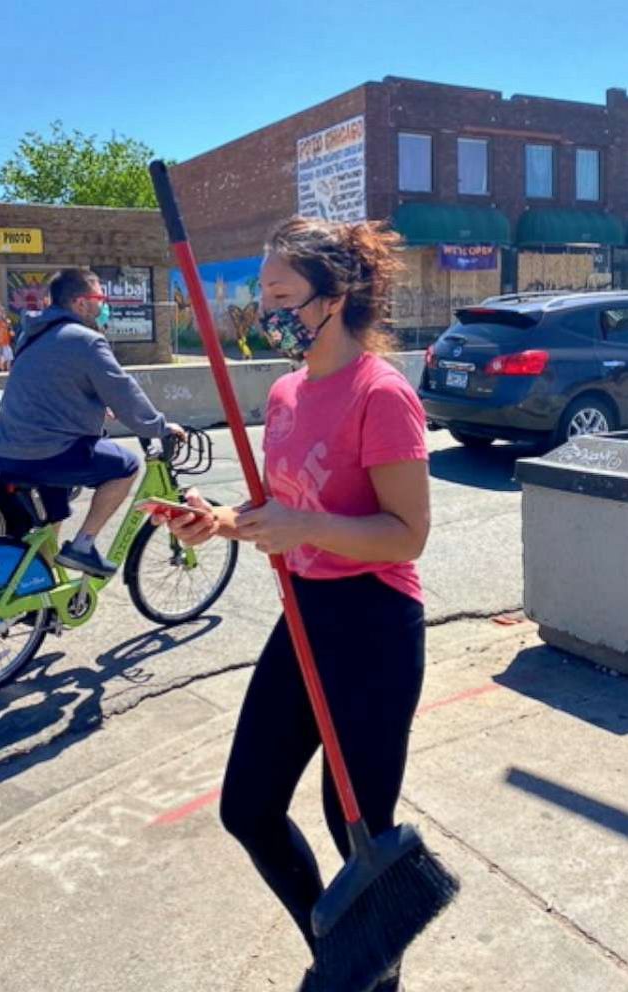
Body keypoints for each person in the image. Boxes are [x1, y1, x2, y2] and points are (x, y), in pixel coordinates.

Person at [157, 218, 430, 991]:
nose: (264, 309)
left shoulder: (382, 394)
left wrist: (302, 525)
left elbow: (406, 536)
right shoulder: (284, 390)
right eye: (259, 294)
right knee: (247, 806)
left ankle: (374, 970)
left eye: (278, 294)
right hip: (303, 611)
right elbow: (279, 505)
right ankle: (340, 951)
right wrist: (217, 521)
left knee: (359, 828)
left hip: (373, 623)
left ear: (332, 294)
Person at [0, 267, 183, 578]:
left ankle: (39, 592)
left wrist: (91, 406)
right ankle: (83, 546)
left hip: (7, 450)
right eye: (100, 298)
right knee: (127, 466)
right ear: (80, 303)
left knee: (52, 519)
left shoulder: (34, 334)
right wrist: (159, 427)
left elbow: (51, 387)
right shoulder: (86, 340)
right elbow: (125, 391)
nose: (103, 305)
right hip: (46, 451)